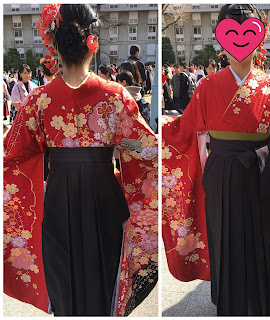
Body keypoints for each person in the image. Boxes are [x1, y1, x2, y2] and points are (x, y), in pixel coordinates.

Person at [162, 4, 270, 317]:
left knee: (260, 237)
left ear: (259, 38)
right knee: (225, 236)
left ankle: (259, 305)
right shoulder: (207, 86)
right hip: (223, 172)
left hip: (258, 170)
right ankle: (230, 304)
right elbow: (182, 130)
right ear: (222, 40)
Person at [4, 4, 158, 317]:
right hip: (104, 196)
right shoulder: (116, 95)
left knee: (64, 280)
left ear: (54, 46)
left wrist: (43, 176)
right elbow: (145, 149)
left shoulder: (39, 100)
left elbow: (14, 155)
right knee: (103, 279)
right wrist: (115, 144)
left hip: (58, 200)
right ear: (93, 43)